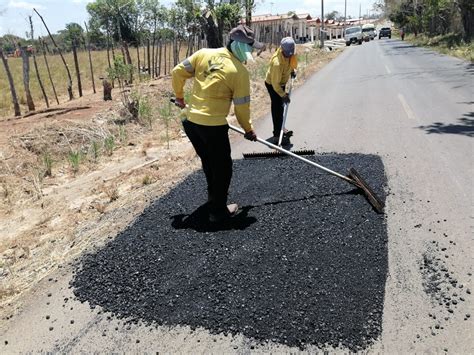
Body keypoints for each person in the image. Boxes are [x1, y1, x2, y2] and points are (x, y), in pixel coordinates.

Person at [172, 25, 263, 223]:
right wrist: (248, 129)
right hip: (212, 127)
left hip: (191, 122)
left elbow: (177, 72)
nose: (251, 52)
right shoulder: (239, 72)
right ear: (239, 46)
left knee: (209, 160)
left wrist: (179, 97)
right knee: (223, 167)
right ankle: (218, 212)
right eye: (249, 47)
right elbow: (241, 109)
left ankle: (213, 199)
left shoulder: (203, 54)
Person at [265, 37, 298, 145]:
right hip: (273, 85)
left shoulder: (290, 53)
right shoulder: (277, 63)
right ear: (282, 50)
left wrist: (293, 70)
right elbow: (275, 85)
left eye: (290, 53)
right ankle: (276, 135)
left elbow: (291, 62)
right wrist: (283, 95)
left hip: (281, 83)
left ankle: (281, 128)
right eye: (287, 54)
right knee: (277, 108)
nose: (289, 55)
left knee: (281, 107)